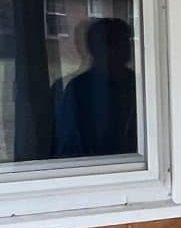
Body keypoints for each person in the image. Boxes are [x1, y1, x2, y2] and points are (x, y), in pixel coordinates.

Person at [55, 15, 138, 158]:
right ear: (95, 49)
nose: (124, 49)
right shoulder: (79, 89)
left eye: (126, 42)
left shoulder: (140, 85)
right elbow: (68, 146)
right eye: (114, 43)